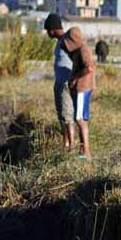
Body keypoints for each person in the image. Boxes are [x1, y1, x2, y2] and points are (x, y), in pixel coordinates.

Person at [62, 26, 96, 160]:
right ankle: (83, 151)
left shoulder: (83, 50)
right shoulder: (78, 51)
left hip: (83, 88)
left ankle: (86, 152)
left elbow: (89, 68)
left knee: (80, 119)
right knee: (81, 118)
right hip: (80, 89)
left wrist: (75, 78)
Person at [44, 13, 76, 150]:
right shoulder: (59, 42)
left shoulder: (67, 40)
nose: (47, 33)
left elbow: (79, 58)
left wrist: (73, 78)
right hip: (59, 83)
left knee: (68, 115)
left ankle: (72, 146)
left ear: (52, 29)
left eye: (47, 30)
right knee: (62, 115)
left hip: (66, 84)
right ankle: (66, 144)